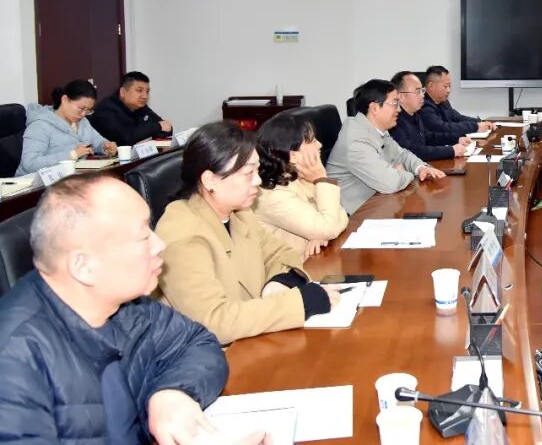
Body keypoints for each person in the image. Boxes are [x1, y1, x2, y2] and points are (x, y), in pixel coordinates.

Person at [0, 174, 267, 444]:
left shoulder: (126, 306)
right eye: (143, 236)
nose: (159, 245)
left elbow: (197, 342)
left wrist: (174, 392)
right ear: (84, 266)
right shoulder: (14, 361)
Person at [154, 121, 338, 345]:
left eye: (257, 171)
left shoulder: (239, 213)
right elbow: (214, 321)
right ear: (210, 180)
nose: (258, 181)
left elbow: (281, 253)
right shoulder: (182, 235)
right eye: (248, 173)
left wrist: (278, 283)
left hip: (252, 337)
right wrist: (298, 304)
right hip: (214, 355)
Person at [326, 79, 447, 214]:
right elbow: (390, 183)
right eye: (395, 103)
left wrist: (420, 168)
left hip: (378, 203)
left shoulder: (376, 129)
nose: (399, 109)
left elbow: (402, 155)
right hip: (354, 216)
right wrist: (405, 173)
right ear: (374, 108)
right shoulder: (355, 140)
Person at [253, 113, 349, 258]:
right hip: (290, 269)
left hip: (313, 260)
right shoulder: (273, 194)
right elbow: (330, 226)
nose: (320, 145)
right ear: (293, 156)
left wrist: (323, 234)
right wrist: (322, 178)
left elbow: (340, 215)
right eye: (312, 141)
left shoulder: (298, 176)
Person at [16, 79, 117, 175]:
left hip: (73, 177)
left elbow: (97, 141)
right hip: (37, 183)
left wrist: (105, 146)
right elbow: (30, 163)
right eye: (81, 108)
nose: (83, 114)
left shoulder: (82, 122)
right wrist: (72, 155)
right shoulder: (40, 125)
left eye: (88, 110)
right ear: (65, 99)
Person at [390, 71, 470, 161]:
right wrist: (451, 151)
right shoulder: (394, 121)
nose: (422, 96)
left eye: (422, 91)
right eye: (417, 91)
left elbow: (428, 137)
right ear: (401, 97)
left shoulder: (415, 114)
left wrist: (457, 139)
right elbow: (413, 151)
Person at [89, 70, 174, 146]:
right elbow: (126, 139)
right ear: (123, 92)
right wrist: (157, 127)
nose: (145, 96)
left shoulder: (140, 106)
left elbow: (167, 129)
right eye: (139, 90)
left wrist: (148, 131)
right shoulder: (107, 109)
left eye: (147, 91)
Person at [419, 65, 495, 139]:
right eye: (445, 86)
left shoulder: (443, 101)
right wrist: (475, 127)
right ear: (431, 86)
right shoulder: (423, 106)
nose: (448, 90)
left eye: (449, 86)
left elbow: (457, 117)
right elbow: (442, 127)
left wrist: (480, 122)